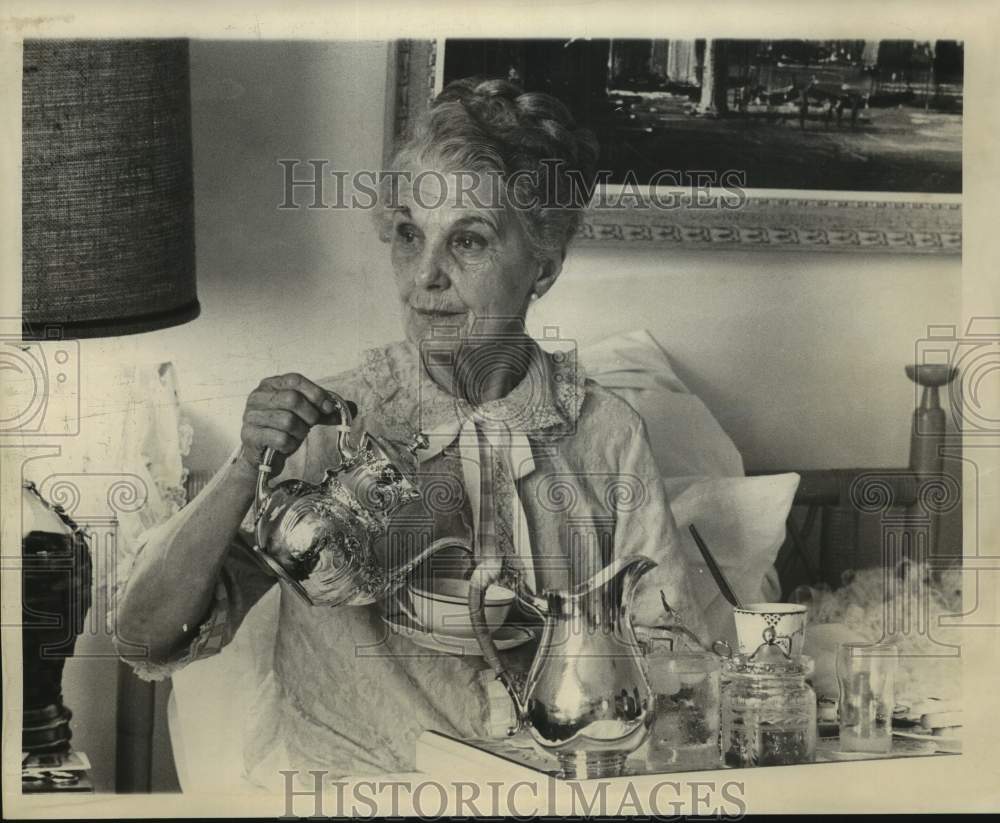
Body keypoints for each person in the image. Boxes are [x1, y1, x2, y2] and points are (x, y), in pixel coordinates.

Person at [111, 77, 708, 785]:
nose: (425, 276)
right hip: (356, 789)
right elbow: (144, 637)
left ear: (542, 266)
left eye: (470, 241)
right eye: (407, 236)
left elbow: (677, 665)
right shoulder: (328, 420)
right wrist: (246, 463)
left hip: (553, 791)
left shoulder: (603, 433)